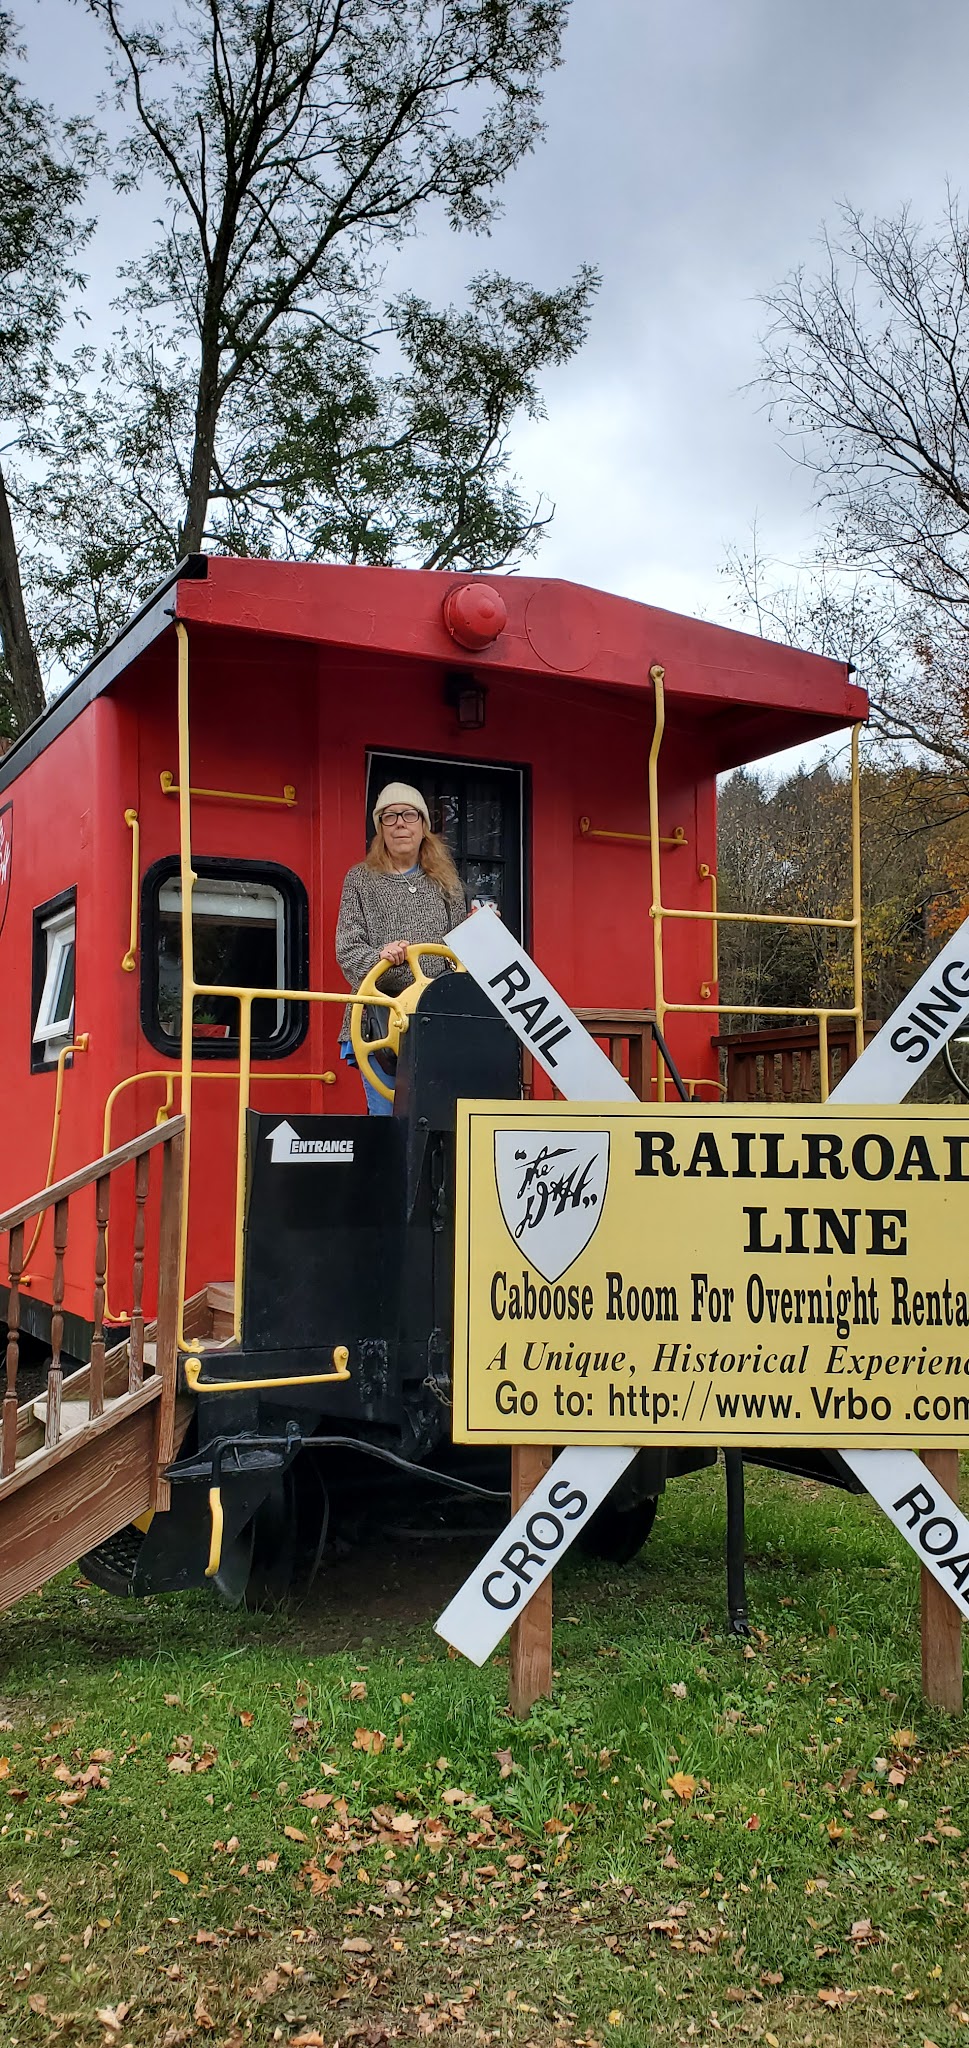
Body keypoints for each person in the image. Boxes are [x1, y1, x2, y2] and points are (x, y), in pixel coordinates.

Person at [336, 782, 467, 1114]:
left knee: (437, 1121)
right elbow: (348, 950)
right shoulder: (359, 879)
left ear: (423, 826)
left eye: (409, 815)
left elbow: (462, 955)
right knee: (388, 1120)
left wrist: (485, 932)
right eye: (390, 817)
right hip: (379, 1023)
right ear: (380, 828)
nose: (400, 824)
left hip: (436, 1019)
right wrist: (380, 956)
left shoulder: (447, 882)